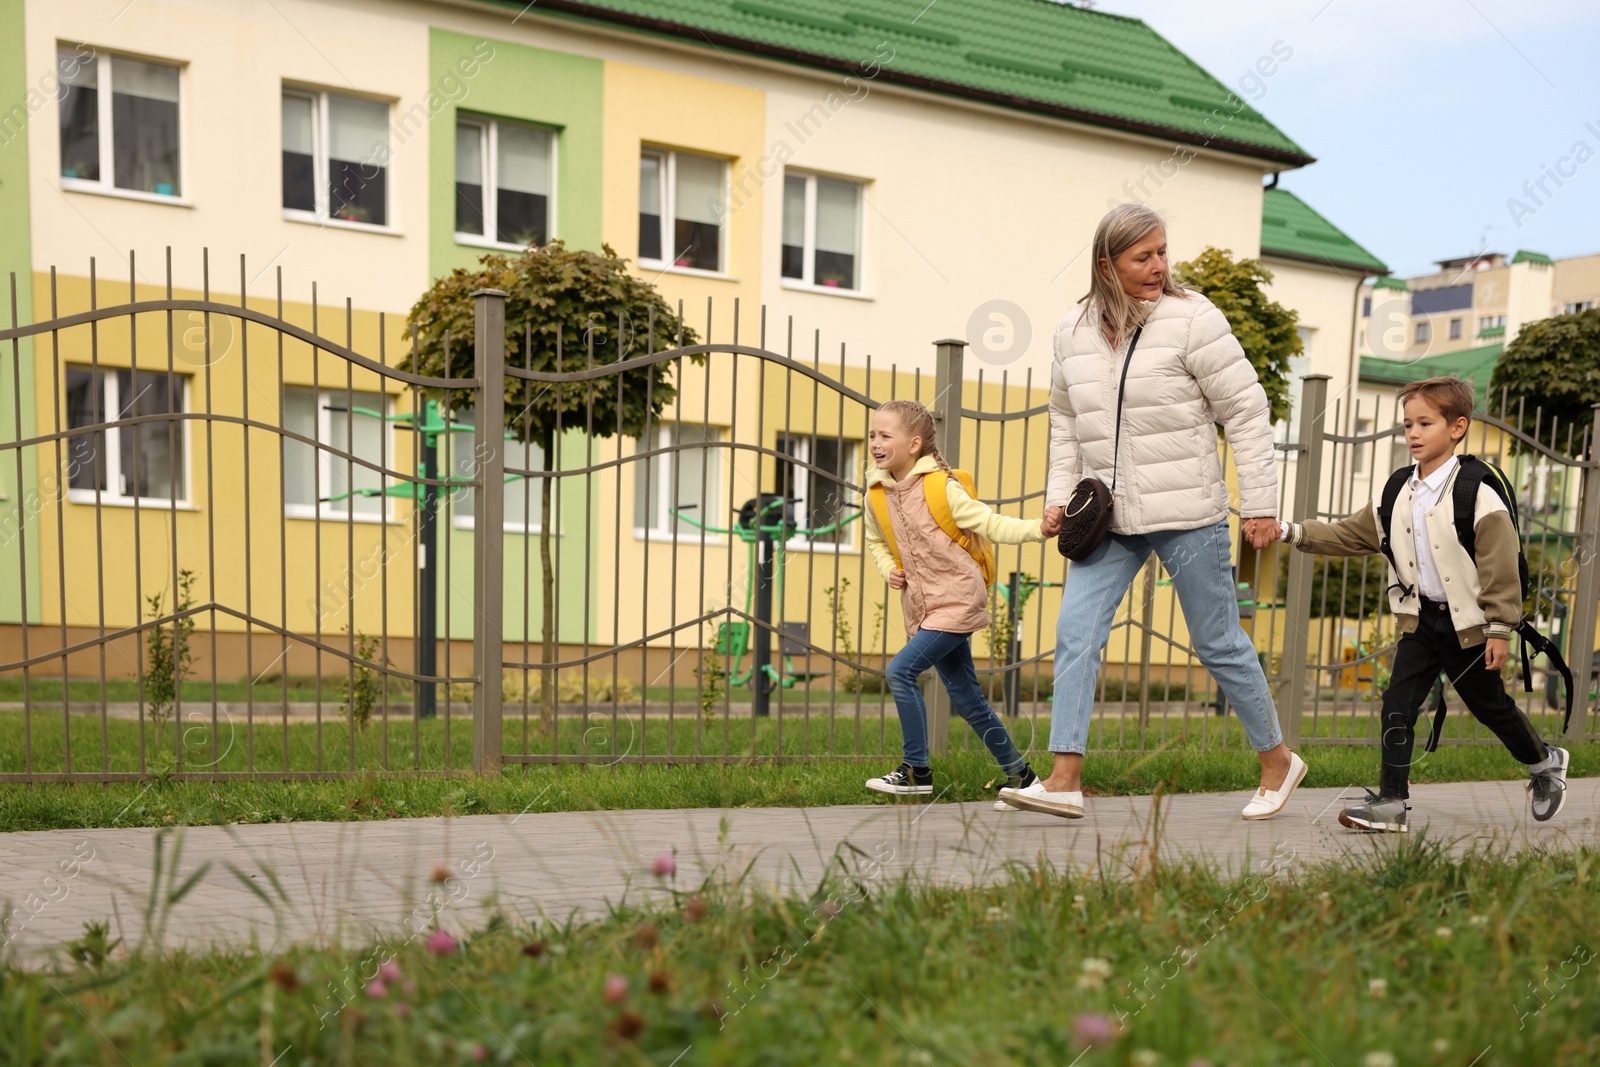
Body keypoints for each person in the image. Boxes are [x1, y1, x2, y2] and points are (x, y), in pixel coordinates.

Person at [1001, 202, 1306, 821]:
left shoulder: (1194, 319)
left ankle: (1278, 761)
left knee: (1217, 640)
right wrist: (1059, 497)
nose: (1159, 266)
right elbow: (1065, 421)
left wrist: (1260, 505)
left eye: (1163, 252)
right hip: (1107, 515)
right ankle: (1063, 780)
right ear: (1105, 263)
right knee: (1075, 633)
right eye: (1143, 256)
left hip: (1188, 509)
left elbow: (1246, 412)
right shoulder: (1072, 329)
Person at [1262, 375, 1569, 831]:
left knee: (1491, 708)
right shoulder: (1396, 491)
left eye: (1425, 423)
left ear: (1458, 427)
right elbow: (1350, 533)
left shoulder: (1476, 492)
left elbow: (1500, 568)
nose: (1414, 434)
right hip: (1421, 620)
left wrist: (1500, 629)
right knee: (1398, 706)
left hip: (1472, 626)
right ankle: (1392, 803)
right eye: (1408, 425)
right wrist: (1290, 530)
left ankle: (1544, 764)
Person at [862, 399, 1060, 811]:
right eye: (872, 435)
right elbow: (876, 541)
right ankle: (1025, 779)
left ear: (914, 443)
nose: (875, 443)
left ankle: (916, 771)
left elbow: (989, 522)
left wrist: (1038, 530)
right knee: (968, 700)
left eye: (885, 435)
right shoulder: (877, 494)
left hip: (957, 599)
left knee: (901, 670)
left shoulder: (940, 487)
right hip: (924, 606)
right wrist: (888, 569)